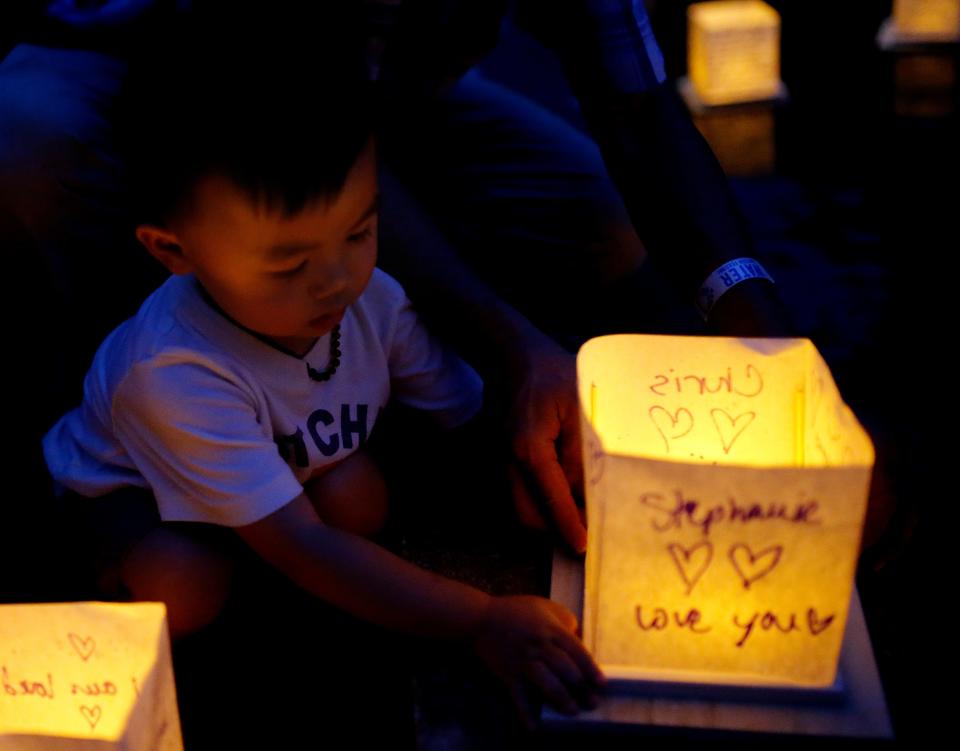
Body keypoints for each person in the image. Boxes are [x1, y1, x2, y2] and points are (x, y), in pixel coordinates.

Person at [39, 18, 604, 726]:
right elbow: (305, 546)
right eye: (290, 264)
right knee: (182, 587)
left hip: (285, 484)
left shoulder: (375, 299)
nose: (338, 280)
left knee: (359, 496)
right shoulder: (170, 371)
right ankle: (114, 566)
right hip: (136, 495)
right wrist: (479, 617)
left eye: (361, 230)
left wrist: (559, 468)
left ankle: (280, 558)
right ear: (172, 250)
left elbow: (464, 423)